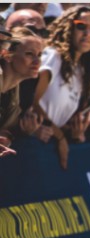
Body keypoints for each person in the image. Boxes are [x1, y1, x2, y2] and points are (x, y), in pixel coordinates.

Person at [34, 5, 90, 170]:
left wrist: (72, 132)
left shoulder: (81, 71)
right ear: (69, 27)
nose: (88, 34)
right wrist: (60, 137)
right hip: (31, 144)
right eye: (81, 26)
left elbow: (57, 118)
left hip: (49, 150)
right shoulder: (53, 56)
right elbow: (32, 101)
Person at [0, 27, 44, 157]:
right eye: (29, 54)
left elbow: (8, 128)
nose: (37, 61)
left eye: (40, 55)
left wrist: (9, 134)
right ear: (7, 55)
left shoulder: (13, 90)